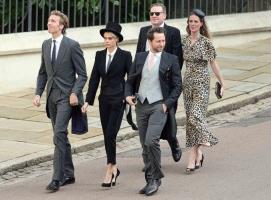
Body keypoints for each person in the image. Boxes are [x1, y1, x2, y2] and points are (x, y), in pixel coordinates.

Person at [33, 10, 87, 192]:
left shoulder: (72, 45)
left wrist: (74, 93)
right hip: (52, 97)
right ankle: (69, 173)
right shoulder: (45, 45)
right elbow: (43, 72)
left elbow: (82, 74)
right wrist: (38, 93)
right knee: (61, 135)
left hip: (67, 97)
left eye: (53, 21)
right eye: (49, 21)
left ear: (61, 26)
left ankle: (57, 178)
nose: (49, 23)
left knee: (58, 134)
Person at [125, 27, 182, 196]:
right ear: (150, 41)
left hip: (159, 105)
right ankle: (150, 179)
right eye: (158, 41)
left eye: (163, 41)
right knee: (144, 146)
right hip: (141, 105)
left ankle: (156, 178)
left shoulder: (171, 59)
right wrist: (128, 95)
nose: (162, 44)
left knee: (151, 141)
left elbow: (178, 86)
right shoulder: (140, 57)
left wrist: (167, 104)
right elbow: (130, 81)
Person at [81, 22, 132, 187]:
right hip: (104, 100)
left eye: (110, 38)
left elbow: (130, 79)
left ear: (117, 39)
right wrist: (88, 100)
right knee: (107, 135)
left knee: (111, 134)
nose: (107, 41)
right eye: (105, 38)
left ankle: (110, 167)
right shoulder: (99, 55)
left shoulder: (125, 56)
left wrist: (129, 96)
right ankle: (114, 167)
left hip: (118, 100)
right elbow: (94, 78)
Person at [136, 2, 183, 171]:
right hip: (146, 88)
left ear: (164, 15)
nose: (154, 16)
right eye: (152, 14)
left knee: (168, 122)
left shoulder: (174, 33)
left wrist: (169, 83)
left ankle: (174, 143)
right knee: (148, 129)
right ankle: (150, 159)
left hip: (166, 89)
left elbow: (178, 58)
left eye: (157, 13)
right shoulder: (144, 32)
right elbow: (139, 56)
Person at [182, 9, 225, 172]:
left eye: (195, 21)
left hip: (201, 83)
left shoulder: (206, 42)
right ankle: (195, 155)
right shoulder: (184, 42)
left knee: (195, 117)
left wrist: (222, 82)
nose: (192, 24)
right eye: (190, 21)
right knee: (190, 121)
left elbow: (213, 63)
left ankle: (207, 139)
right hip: (187, 84)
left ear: (201, 24)